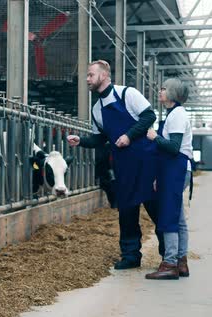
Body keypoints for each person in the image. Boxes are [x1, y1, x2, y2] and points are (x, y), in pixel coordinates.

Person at [68, 60, 163, 269]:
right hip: (124, 167)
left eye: (91, 75)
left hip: (147, 163)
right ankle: (130, 256)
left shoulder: (127, 93)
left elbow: (149, 116)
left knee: (157, 210)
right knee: (127, 213)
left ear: (103, 75)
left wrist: (129, 136)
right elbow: (100, 138)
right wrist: (81, 140)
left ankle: (169, 256)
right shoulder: (97, 109)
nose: (87, 79)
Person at [145, 78, 192, 280]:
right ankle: (181, 262)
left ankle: (170, 263)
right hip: (173, 169)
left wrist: (154, 137)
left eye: (163, 88)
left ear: (172, 93)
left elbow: (174, 147)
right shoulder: (174, 114)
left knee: (168, 215)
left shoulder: (177, 116)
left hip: (176, 168)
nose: (160, 91)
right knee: (178, 217)